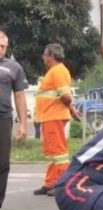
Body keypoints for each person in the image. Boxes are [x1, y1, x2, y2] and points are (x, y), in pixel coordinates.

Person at [33, 43, 79, 196]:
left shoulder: (58, 71)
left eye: (45, 55)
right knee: (53, 154)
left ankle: (63, 186)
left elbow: (65, 95)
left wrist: (72, 110)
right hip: (50, 117)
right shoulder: (56, 71)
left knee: (59, 154)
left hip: (54, 116)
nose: (43, 57)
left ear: (52, 56)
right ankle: (50, 183)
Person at [0, 31, 28, 210]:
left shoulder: (14, 68)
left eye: (3, 47)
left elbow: (19, 96)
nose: (1, 50)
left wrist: (23, 123)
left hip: (3, 118)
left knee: (2, 163)